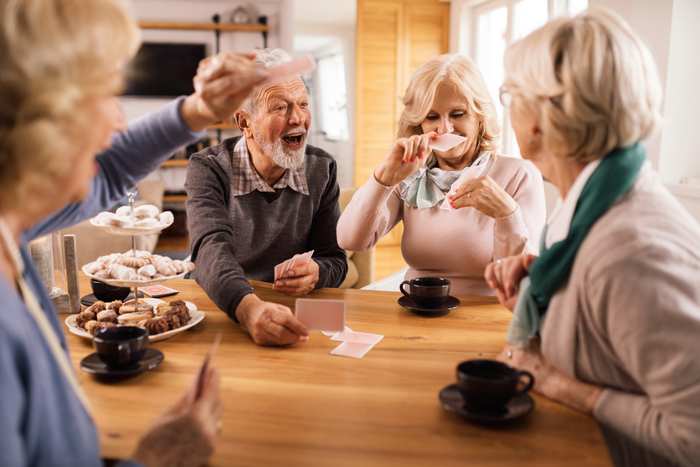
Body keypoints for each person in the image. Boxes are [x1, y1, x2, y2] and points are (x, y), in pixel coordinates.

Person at [0, 0, 267, 465]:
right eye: (106, 93)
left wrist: (199, 109)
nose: (118, 121)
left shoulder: (10, 229)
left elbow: (112, 166)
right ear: (39, 120)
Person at [484, 8, 700, 467]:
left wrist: (560, 385)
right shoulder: (591, 201)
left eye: (510, 95)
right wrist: (551, 294)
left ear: (541, 117)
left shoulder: (630, 250)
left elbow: (694, 437)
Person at [337, 54, 546, 296]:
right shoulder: (410, 174)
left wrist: (507, 214)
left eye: (458, 114)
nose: (444, 128)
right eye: (432, 117)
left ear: (480, 116)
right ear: (419, 124)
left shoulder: (519, 174)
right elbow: (350, 240)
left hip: (486, 314)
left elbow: (524, 280)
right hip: (418, 310)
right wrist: (383, 179)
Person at [186, 48, 348, 347]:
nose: (298, 117)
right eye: (280, 108)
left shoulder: (322, 168)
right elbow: (209, 252)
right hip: (225, 302)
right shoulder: (208, 167)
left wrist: (317, 273)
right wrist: (249, 309)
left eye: (302, 104)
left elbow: (335, 260)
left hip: (287, 307)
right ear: (244, 122)